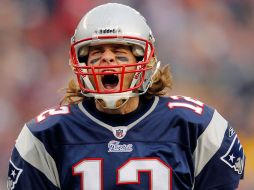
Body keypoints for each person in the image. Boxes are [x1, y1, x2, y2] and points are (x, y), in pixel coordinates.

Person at [7, 3, 245, 190]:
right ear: (80, 63)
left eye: (120, 52)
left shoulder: (196, 126)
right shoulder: (46, 134)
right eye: (96, 52)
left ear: (144, 60)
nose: (107, 59)